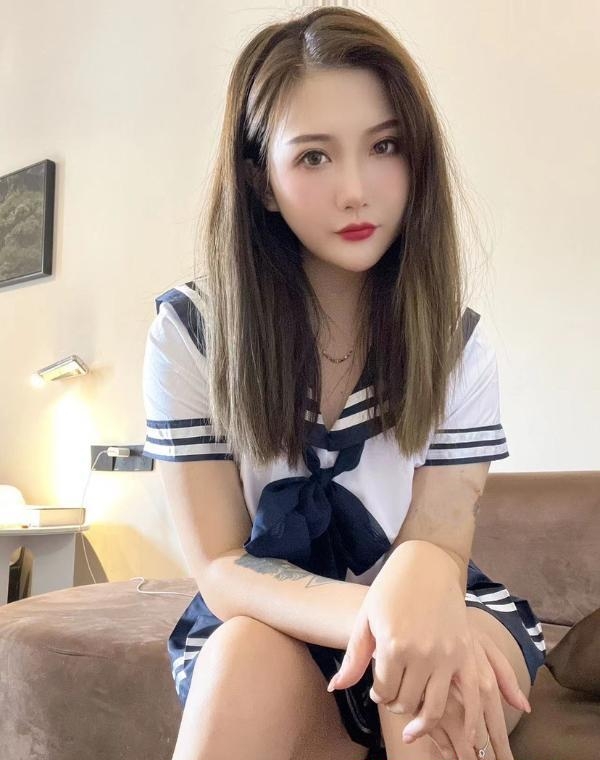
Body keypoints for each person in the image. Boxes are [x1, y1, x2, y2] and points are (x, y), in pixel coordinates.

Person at [141, 7, 546, 760]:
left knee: (438, 677)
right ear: (263, 182)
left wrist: (411, 611)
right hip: (272, 612)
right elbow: (222, 566)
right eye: (314, 157)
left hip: (435, 597)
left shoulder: (457, 344)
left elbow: (437, 543)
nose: (356, 190)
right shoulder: (192, 333)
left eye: (385, 146)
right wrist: (379, 618)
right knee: (240, 661)